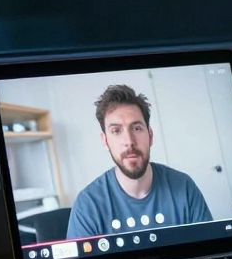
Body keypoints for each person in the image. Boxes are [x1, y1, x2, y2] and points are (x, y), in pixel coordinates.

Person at [66, 84, 213, 240]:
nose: (129, 141)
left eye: (136, 128)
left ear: (150, 135)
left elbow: (211, 252)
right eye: (116, 131)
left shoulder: (184, 187)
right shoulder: (88, 205)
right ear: (105, 141)